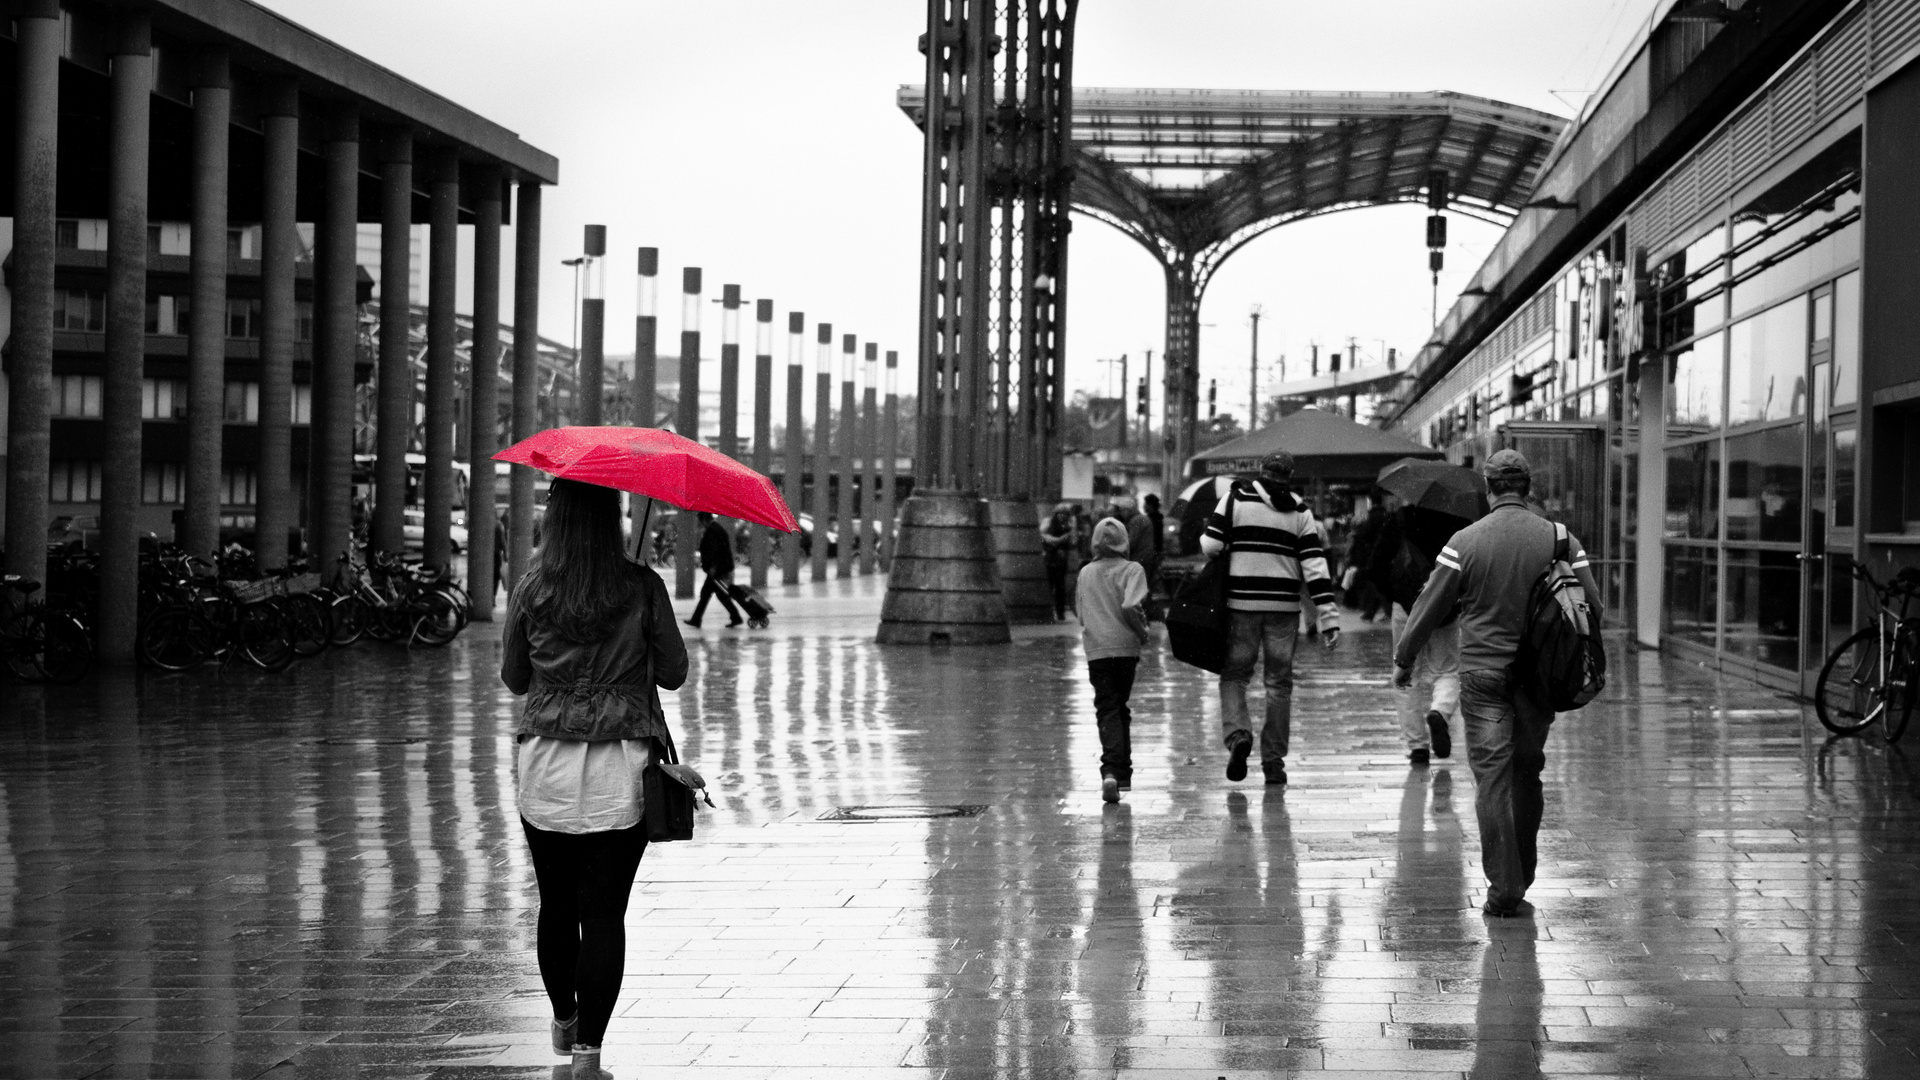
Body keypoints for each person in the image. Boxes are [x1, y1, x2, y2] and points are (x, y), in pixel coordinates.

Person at [500, 478, 694, 1079]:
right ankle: (590, 1052)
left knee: (555, 905)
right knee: (604, 912)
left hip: (546, 765)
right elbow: (674, 674)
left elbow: (513, 677)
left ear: (554, 519)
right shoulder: (641, 585)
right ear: (612, 519)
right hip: (622, 765)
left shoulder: (532, 588)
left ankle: (563, 1015)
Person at [1394, 449, 1602, 918]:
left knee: (1491, 781)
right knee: (1528, 773)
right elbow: (1594, 605)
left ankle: (1503, 885)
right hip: (1539, 676)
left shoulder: (1463, 541)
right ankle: (1522, 876)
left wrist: (1405, 659)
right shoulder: (1561, 539)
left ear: (1489, 489)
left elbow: (1428, 607)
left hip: (1482, 673)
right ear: (1526, 488)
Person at [1201, 450, 1341, 785]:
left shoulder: (1234, 501)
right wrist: (1328, 616)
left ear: (1261, 471)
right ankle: (1274, 763)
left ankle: (1238, 736)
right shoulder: (1300, 511)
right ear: (1289, 476)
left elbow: (1210, 546)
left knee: (1234, 675)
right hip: (1283, 611)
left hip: (1240, 608)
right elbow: (1314, 566)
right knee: (1279, 684)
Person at [1367, 494, 1465, 766]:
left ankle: (1418, 746)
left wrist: (1396, 596)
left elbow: (1374, 566)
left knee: (1405, 673)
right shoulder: (1457, 523)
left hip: (1407, 607)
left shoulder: (1398, 519)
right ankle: (1440, 711)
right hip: (1445, 609)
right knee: (1447, 669)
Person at [1077, 517, 1151, 803]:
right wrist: (1142, 631)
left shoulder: (1086, 572)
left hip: (1097, 650)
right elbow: (1133, 605)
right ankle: (1120, 775)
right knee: (1120, 708)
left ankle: (1111, 772)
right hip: (1126, 649)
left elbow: (1081, 610)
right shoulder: (1133, 570)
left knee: (1107, 708)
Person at [685, 511, 742, 629]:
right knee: (716, 594)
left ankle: (697, 620)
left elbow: (715, 550)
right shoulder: (715, 529)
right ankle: (735, 616)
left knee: (707, 594)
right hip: (718, 568)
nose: (699, 523)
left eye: (700, 521)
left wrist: (713, 567)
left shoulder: (713, 531)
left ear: (705, 520)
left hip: (717, 570)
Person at [1040, 503, 1077, 621]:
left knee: (1060, 586)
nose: (1063, 516)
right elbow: (1044, 536)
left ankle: (1060, 612)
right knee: (1050, 584)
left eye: (1065, 514)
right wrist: (1059, 540)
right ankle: (1048, 611)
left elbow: (1072, 540)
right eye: (1061, 514)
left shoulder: (1069, 525)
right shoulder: (1048, 522)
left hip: (1061, 558)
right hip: (1050, 556)